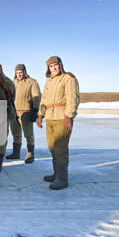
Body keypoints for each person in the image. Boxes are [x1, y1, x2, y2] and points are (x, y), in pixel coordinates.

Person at [37, 56, 80, 190]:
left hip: (62, 117)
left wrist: (68, 116)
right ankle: (56, 174)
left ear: (60, 65)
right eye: (51, 66)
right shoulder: (49, 82)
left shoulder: (68, 78)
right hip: (50, 117)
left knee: (60, 147)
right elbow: (43, 100)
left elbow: (73, 98)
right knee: (52, 147)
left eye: (55, 65)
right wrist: (40, 115)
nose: (53, 68)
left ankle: (62, 179)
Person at [6, 64, 41, 163]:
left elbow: (36, 96)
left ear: (24, 72)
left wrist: (35, 110)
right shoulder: (13, 83)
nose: (19, 74)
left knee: (28, 134)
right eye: (17, 73)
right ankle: (16, 153)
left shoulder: (32, 82)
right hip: (14, 113)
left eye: (20, 72)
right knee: (15, 133)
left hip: (26, 112)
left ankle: (30, 154)